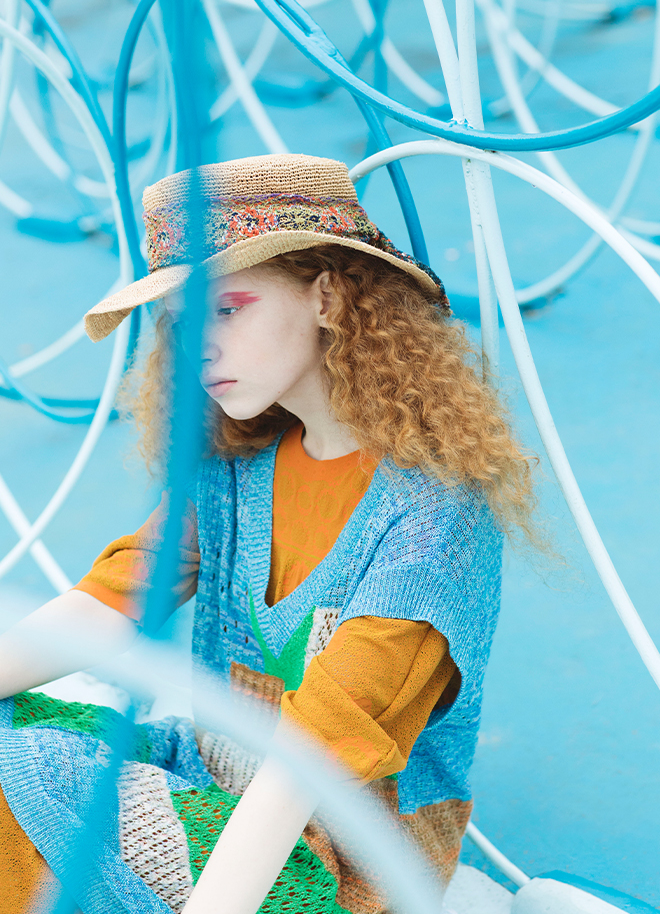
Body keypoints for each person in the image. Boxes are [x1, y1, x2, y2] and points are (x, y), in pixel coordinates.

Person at [0, 153, 536, 914]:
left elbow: (313, 757)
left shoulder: (433, 517)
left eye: (227, 309)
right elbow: (111, 601)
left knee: (42, 782)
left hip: (338, 853)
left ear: (328, 296)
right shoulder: (237, 469)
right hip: (215, 777)